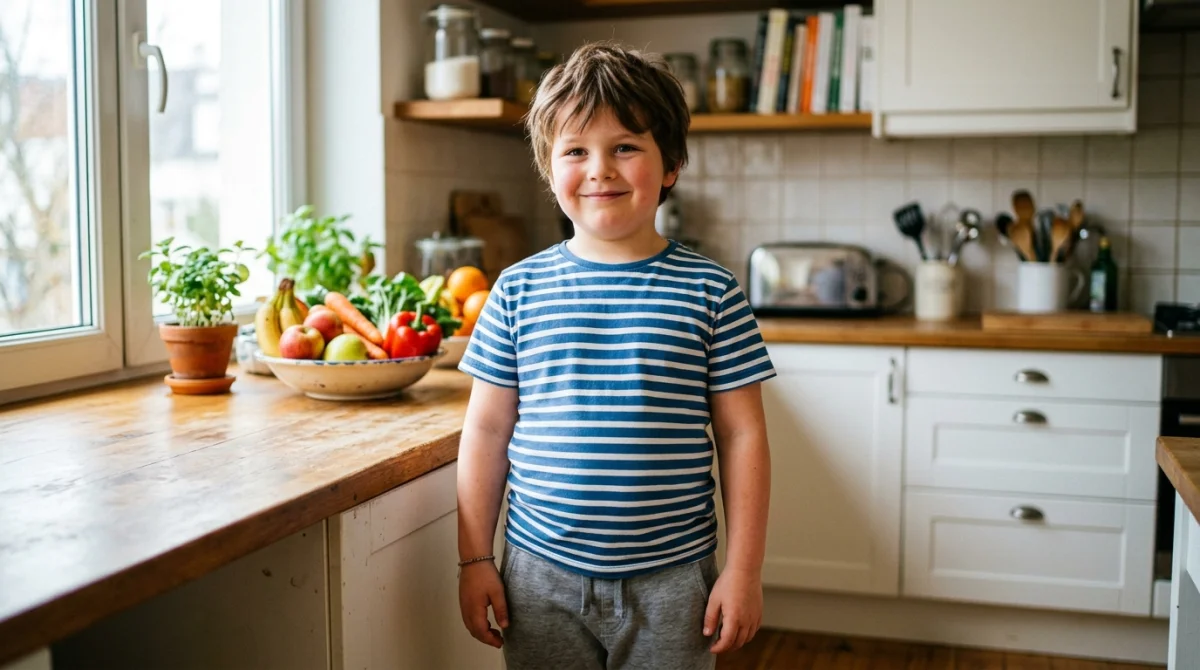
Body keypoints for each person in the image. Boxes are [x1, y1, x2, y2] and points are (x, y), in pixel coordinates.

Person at [455, 41, 775, 670]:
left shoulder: (712, 292)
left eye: (625, 146)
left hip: (675, 580)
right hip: (537, 578)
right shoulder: (516, 291)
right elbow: (487, 429)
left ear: (672, 163)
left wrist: (744, 570)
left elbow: (743, 437)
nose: (599, 168)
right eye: (576, 150)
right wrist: (473, 560)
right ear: (549, 169)